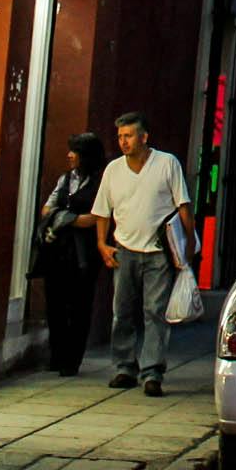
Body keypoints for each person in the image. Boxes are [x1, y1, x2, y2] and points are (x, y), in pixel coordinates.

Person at [95, 112, 193, 397]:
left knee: (155, 312)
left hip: (158, 252)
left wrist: (188, 244)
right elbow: (102, 211)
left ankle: (152, 372)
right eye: (120, 137)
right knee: (122, 312)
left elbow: (183, 205)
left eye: (128, 136)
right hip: (124, 249)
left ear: (144, 137)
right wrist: (102, 243)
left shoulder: (166, 164)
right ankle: (124, 367)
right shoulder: (113, 170)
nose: (123, 142)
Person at [35, 132, 110, 376]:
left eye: (75, 152)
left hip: (84, 253)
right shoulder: (65, 179)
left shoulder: (101, 182)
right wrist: (64, 217)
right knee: (55, 304)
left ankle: (71, 359)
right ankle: (56, 355)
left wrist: (68, 218)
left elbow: (96, 217)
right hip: (58, 249)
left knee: (79, 305)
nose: (69, 155)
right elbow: (47, 208)